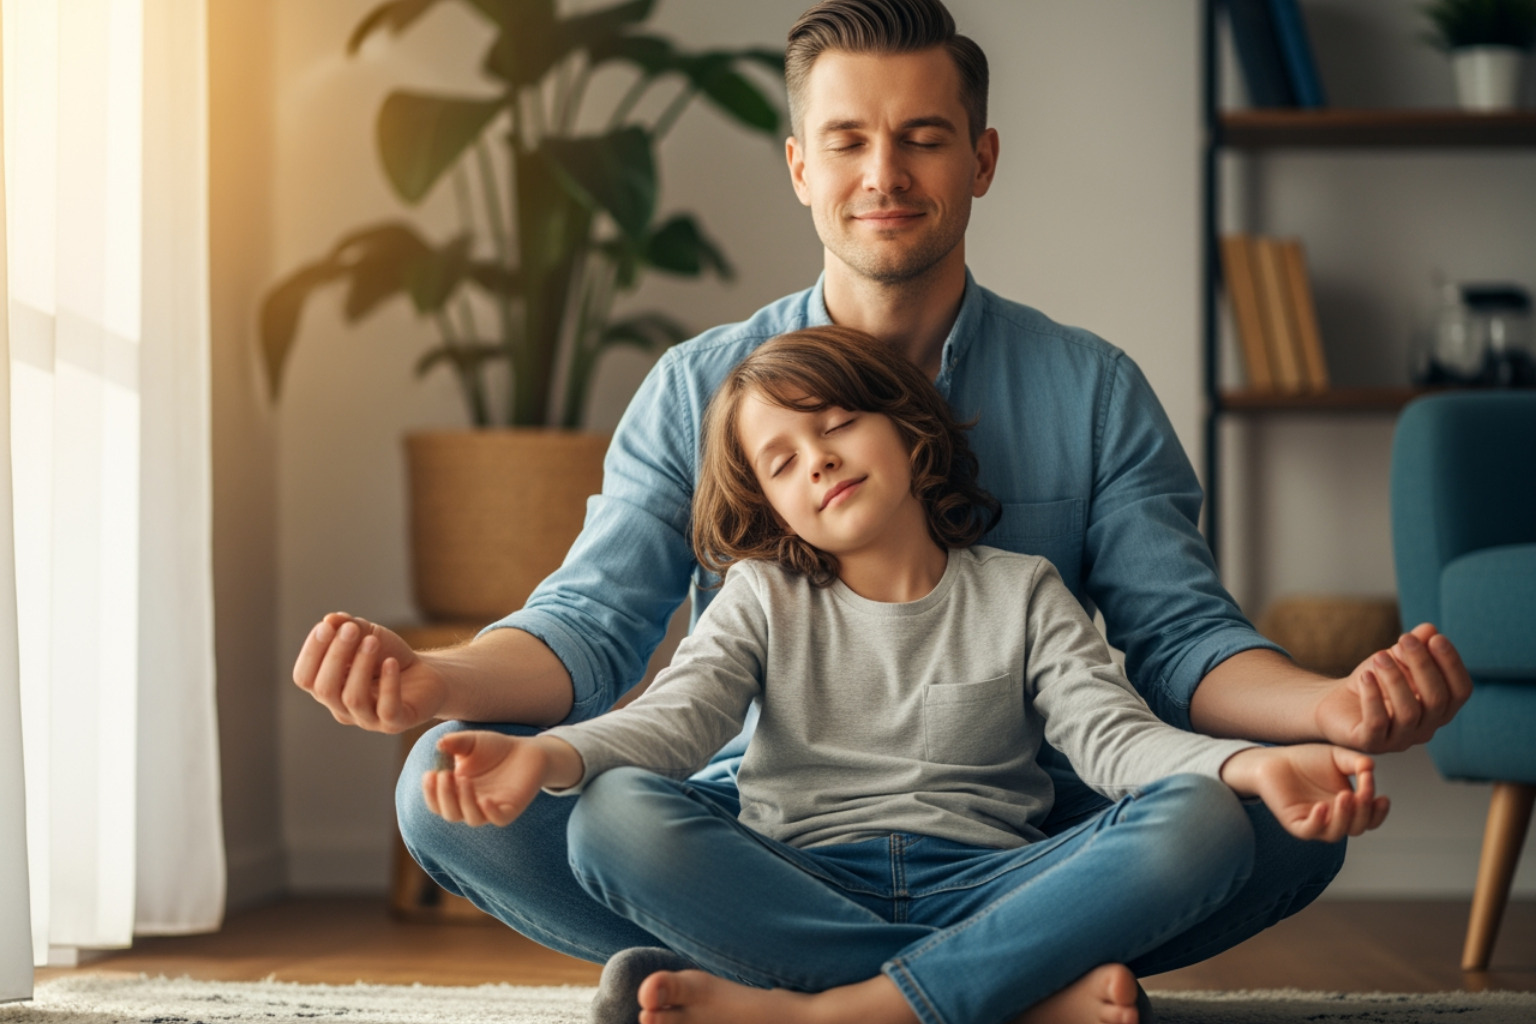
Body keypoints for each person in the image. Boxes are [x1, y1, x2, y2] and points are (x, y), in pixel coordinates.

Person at [290, 0, 1469, 1004]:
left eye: (923, 138)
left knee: (1284, 812)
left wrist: (1330, 709)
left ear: (982, 160)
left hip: (1021, 845)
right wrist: (438, 682)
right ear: (800, 166)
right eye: (847, 140)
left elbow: (1181, 644)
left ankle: (805, 997)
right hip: (753, 842)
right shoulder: (698, 387)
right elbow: (592, 632)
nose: (884, 175)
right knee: (443, 790)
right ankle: (998, 990)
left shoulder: (1090, 391)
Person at [418, 326, 1391, 1024]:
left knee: (1204, 817)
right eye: (781, 462)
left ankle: (825, 1010)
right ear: (771, 506)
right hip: (792, 877)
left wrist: (1250, 766)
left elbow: (1117, 741)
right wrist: (549, 755)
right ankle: (1009, 997)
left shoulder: (1023, 589)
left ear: (909, 427)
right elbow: (672, 723)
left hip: (995, 883)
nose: (817, 463)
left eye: (837, 423)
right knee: (613, 813)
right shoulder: (760, 595)